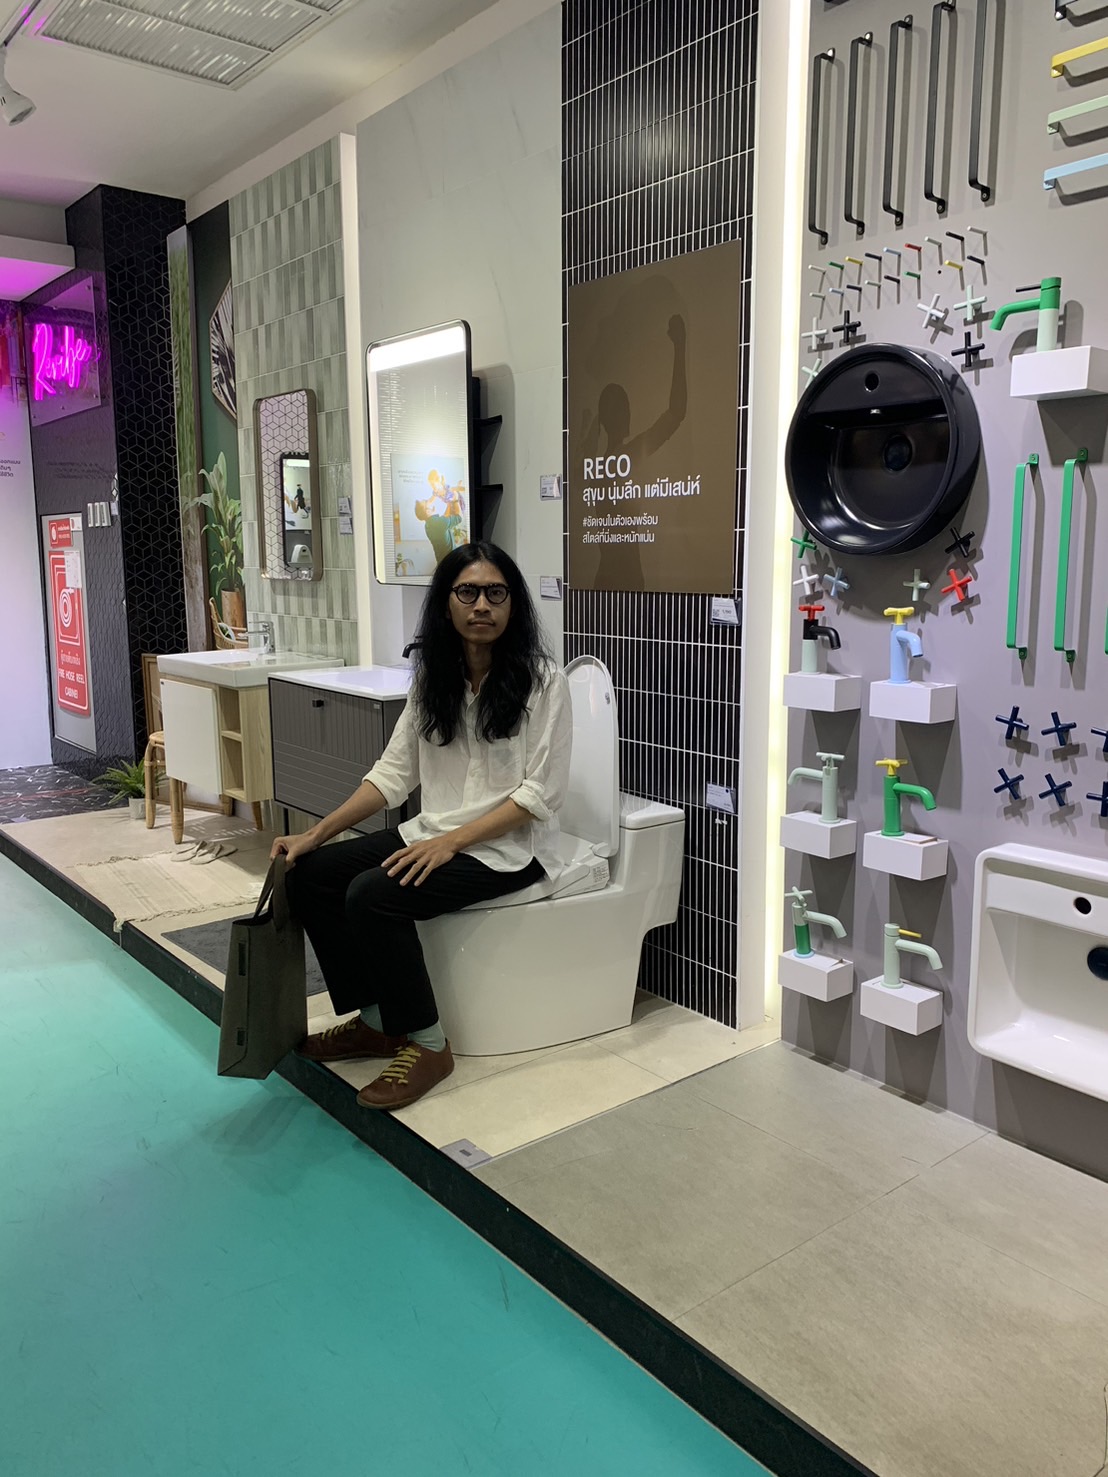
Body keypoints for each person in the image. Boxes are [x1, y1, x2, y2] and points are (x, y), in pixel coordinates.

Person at [271, 542, 571, 1110]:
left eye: (496, 593)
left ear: (513, 605)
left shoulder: (544, 682)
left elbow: (540, 794)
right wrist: (317, 833)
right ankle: (381, 1022)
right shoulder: (434, 677)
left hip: (505, 849)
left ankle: (429, 1045)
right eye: (468, 592)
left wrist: (450, 842)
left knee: (374, 896)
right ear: (447, 603)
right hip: (433, 833)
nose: (482, 605)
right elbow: (391, 776)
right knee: (310, 873)